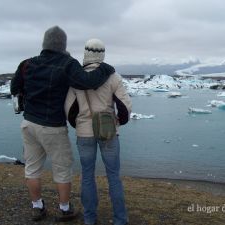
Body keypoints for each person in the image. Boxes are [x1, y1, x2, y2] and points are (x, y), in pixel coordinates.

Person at [10, 26, 115, 222]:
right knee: (62, 168)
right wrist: (106, 68)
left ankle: (37, 207)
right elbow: (88, 81)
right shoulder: (68, 64)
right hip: (52, 127)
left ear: (44, 43)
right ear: (63, 44)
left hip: (29, 123)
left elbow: (14, 87)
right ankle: (65, 209)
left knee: (32, 168)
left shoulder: (27, 64)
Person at [65, 38, 132, 225]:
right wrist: (120, 121)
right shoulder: (112, 76)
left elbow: (69, 109)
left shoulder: (76, 77)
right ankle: (120, 220)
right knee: (113, 176)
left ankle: (89, 218)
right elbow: (125, 106)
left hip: (84, 132)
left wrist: (79, 124)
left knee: (87, 176)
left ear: (85, 53)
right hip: (108, 131)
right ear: (102, 54)